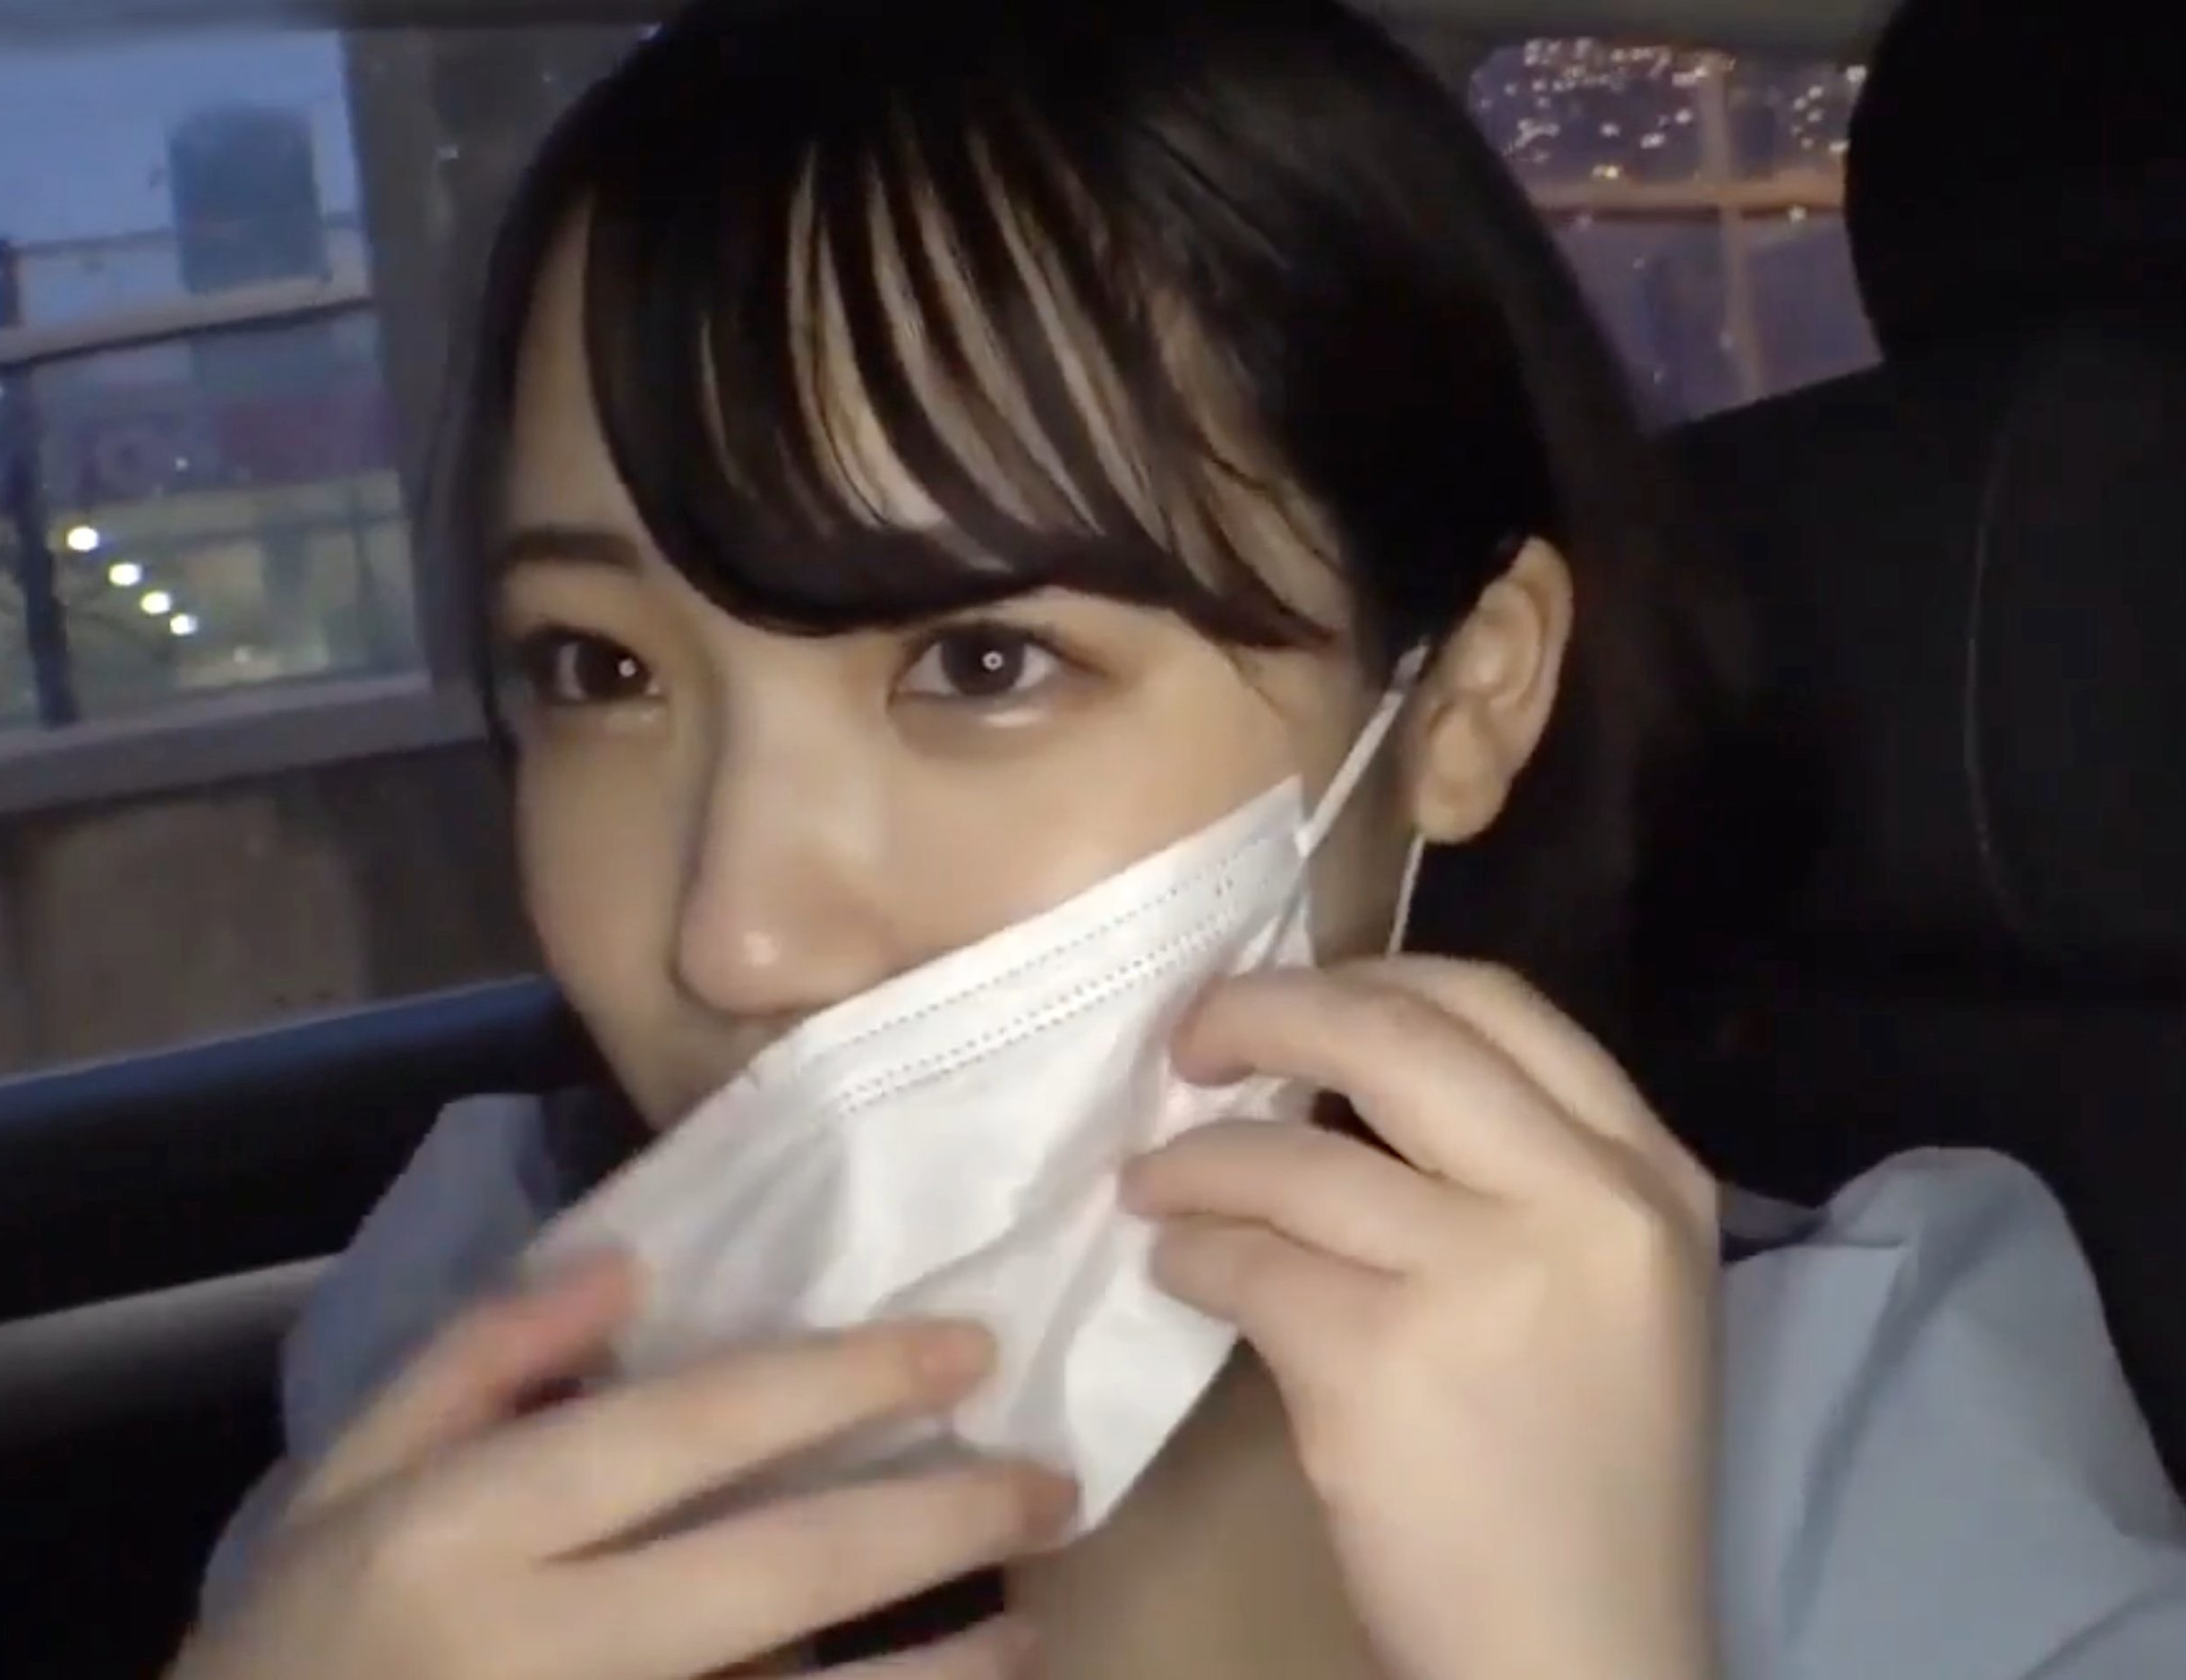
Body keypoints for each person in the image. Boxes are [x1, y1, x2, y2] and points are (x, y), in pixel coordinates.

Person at [170, 2, 2186, 1676]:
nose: (735, 937)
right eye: (599, 669)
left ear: (1463, 705)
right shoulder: (476, 1341)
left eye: (981, 661)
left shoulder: (1867, 1418)